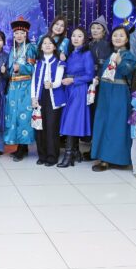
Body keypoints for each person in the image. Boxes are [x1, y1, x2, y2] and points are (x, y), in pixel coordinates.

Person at [91, 26, 136, 171]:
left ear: (127, 39)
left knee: (116, 125)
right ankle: (102, 157)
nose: (117, 38)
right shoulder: (109, 54)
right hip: (105, 93)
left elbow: (126, 71)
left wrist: (119, 61)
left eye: (121, 35)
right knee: (103, 123)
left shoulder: (129, 55)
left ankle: (115, 159)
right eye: (115, 35)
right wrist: (97, 79)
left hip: (119, 93)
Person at [58, 28, 95, 167]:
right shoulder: (70, 54)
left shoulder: (86, 54)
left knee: (71, 120)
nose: (76, 38)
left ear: (84, 39)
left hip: (79, 89)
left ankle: (68, 155)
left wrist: (73, 80)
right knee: (70, 120)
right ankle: (75, 151)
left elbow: (89, 75)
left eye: (79, 36)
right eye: (73, 35)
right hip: (68, 89)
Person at [4, 17, 37, 162]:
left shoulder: (30, 48)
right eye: (16, 33)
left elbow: (33, 68)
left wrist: (20, 68)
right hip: (13, 87)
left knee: (24, 116)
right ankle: (19, 146)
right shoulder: (13, 50)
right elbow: (11, 69)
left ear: (26, 34)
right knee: (14, 116)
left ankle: (23, 148)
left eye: (22, 33)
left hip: (25, 86)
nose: (19, 36)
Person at [31, 35, 66, 166]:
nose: (47, 45)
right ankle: (42, 155)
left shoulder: (59, 62)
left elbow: (59, 81)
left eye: (50, 43)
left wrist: (52, 84)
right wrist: (33, 98)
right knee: (39, 127)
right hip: (40, 96)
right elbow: (33, 82)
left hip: (53, 97)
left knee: (51, 127)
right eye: (44, 43)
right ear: (41, 47)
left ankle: (52, 156)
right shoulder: (37, 63)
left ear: (54, 47)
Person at [83, 16, 112, 159]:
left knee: (97, 115)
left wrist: (98, 77)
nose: (95, 30)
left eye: (98, 28)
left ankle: (96, 149)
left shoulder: (105, 45)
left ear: (104, 31)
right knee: (90, 114)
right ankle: (93, 147)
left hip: (98, 84)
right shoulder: (88, 44)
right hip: (88, 82)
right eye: (93, 28)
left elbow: (105, 66)